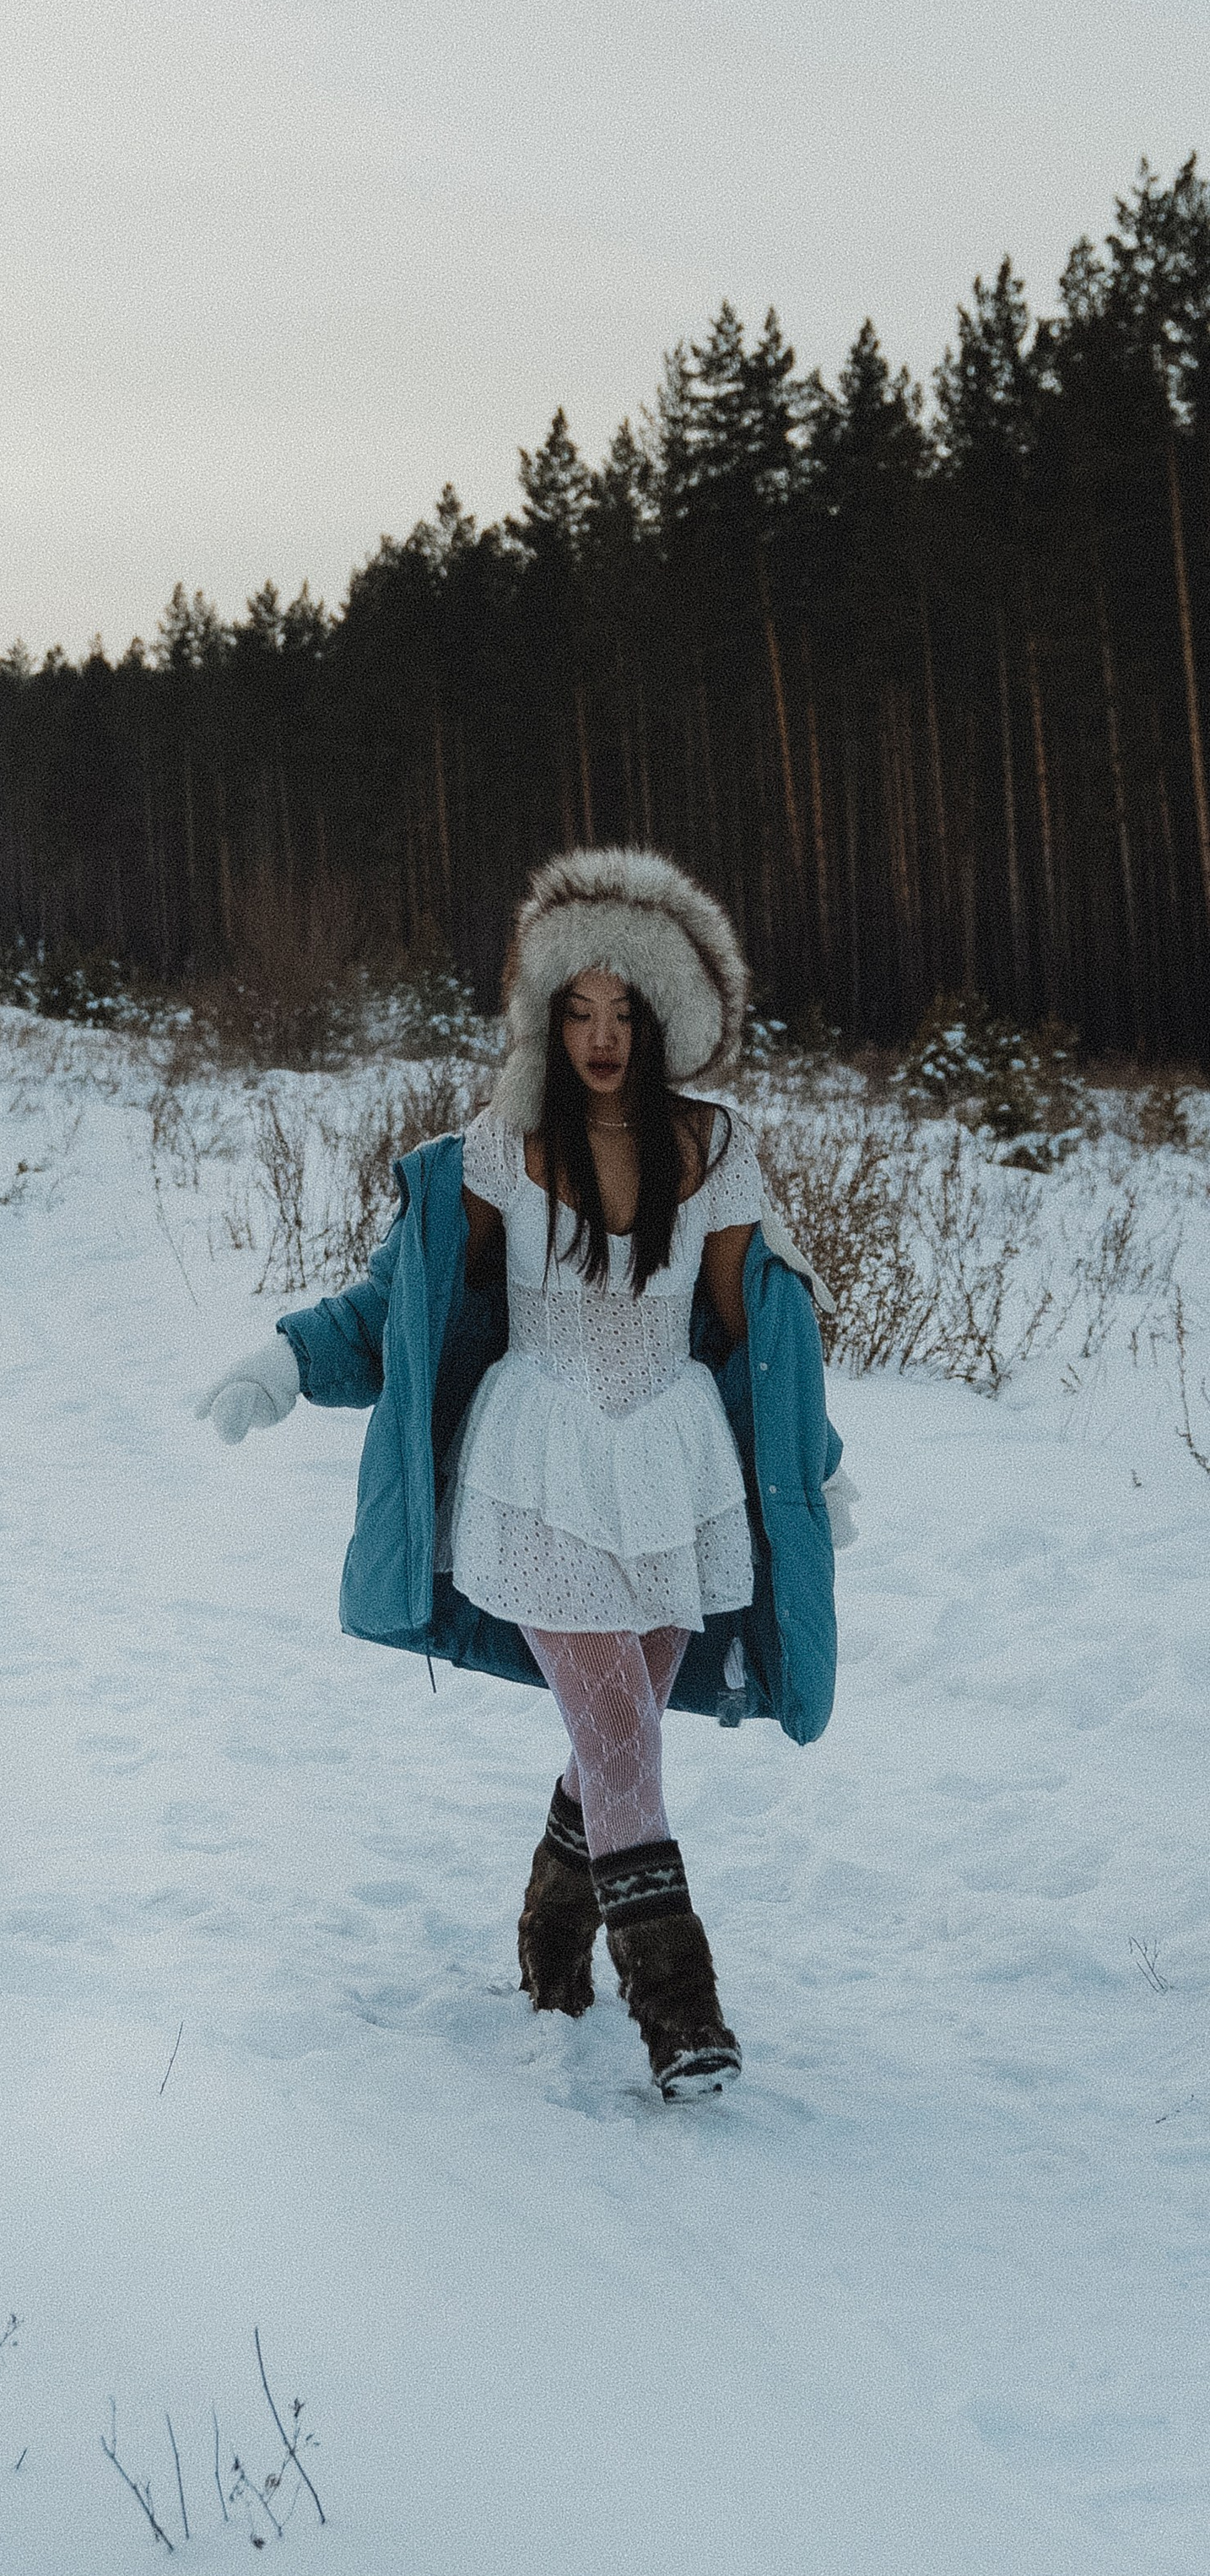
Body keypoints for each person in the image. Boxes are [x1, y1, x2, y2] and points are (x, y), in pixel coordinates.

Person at [196, 847, 847, 2101]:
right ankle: (681, 2013)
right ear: (548, 1019)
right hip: (536, 1465)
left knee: (623, 1723)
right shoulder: (503, 1145)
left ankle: (556, 1919)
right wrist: (289, 1361)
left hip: (670, 1469)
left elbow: (756, 1339)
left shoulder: (716, 1147)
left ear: (661, 1021)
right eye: (578, 1011)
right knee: (618, 1727)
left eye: (624, 1013)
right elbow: (408, 1300)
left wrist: (816, 1468)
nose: (601, 1039)